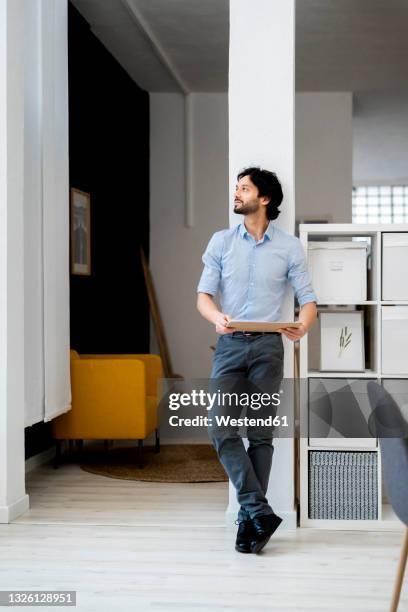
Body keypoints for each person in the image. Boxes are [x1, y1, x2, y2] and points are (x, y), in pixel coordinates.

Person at [196, 166, 317, 554]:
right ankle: (257, 508)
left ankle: (251, 522)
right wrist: (217, 317)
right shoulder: (220, 242)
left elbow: (308, 301)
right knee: (220, 427)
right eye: (236, 188)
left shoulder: (289, 246)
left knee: (260, 434)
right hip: (230, 345)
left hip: (268, 347)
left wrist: (302, 325)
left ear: (263, 199)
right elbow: (203, 297)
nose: (236, 194)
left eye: (244, 189)